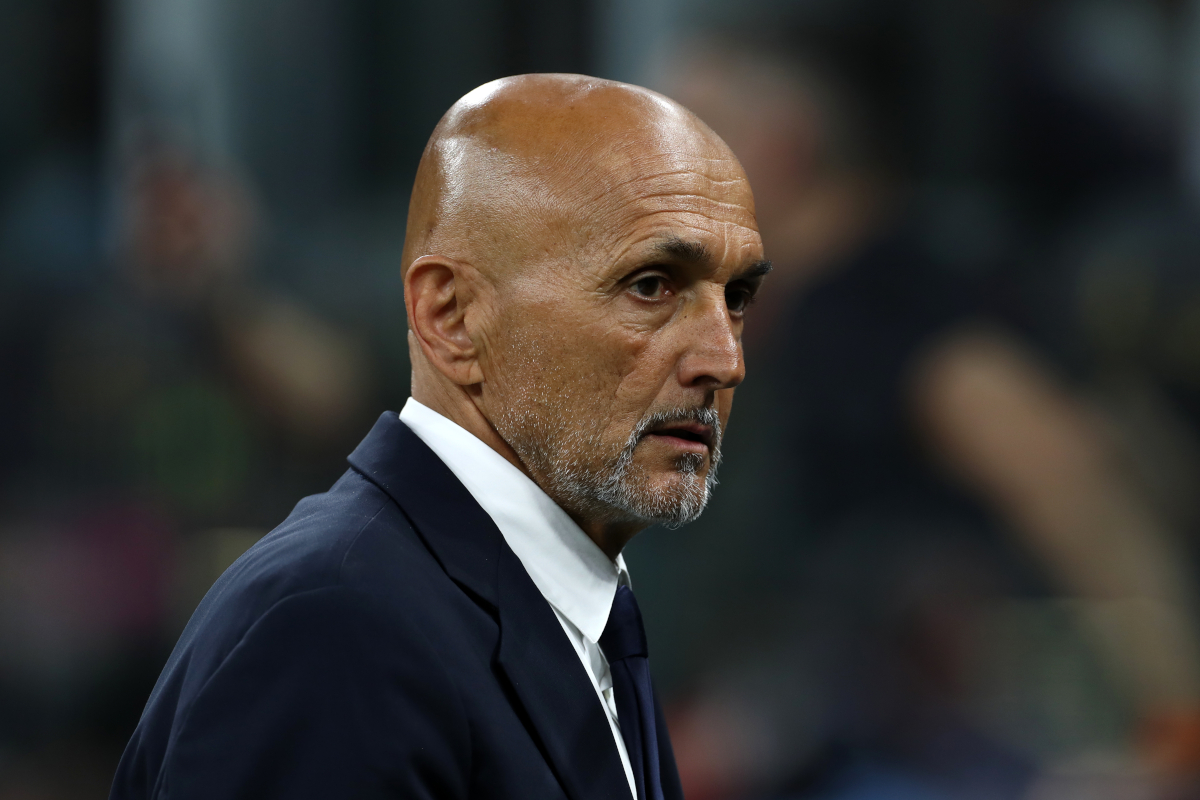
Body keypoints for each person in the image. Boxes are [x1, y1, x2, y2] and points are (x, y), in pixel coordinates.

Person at [108, 73, 769, 800]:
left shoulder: (576, 613)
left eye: (736, 298)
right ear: (452, 318)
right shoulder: (337, 630)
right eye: (651, 285)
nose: (723, 359)